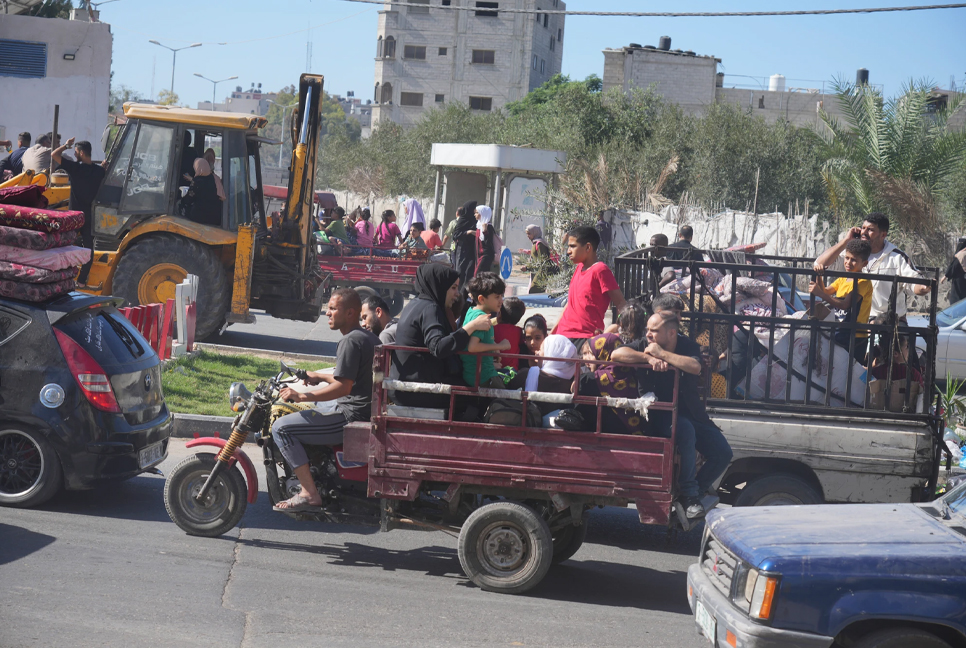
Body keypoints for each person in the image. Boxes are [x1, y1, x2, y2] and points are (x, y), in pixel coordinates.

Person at [612, 311, 733, 518]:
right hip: (659, 414)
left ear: (671, 333)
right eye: (648, 330)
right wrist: (647, 358)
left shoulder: (686, 345)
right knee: (684, 430)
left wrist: (662, 354)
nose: (648, 334)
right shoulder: (644, 344)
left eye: (654, 331)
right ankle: (688, 495)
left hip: (692, 413)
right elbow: (617, 355)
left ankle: (694, 493)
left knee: (723, 453)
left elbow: (695, 367)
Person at [270, 288, 380, 511]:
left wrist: (300, 394)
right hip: (361, 408)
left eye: (332, 308)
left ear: (350, 313)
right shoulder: (366, 337)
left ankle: (309, 493)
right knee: (313, 408)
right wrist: (318, 376)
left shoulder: (350, 341)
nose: (327, 313)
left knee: (282, 428)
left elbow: (343, 386)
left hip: (350, 415)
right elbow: (352, 379)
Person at [390, 264, 491, 409]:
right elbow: (438, 347)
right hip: (418, 389)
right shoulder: (430, 308)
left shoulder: (415, 304)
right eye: (453, 288)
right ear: (439, 286)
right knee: (479, 396)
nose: (457, 294)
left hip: (407, 385)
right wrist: (472, 326)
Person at [813, 212, 929, 321]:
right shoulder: (854, 253)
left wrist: (923, 288)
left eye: (870, 230)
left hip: (886, 321)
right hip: (853, 320)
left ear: (883, 234)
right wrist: (846, 240)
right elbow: (819, 264)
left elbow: (914, 280)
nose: (864, 232)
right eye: (863, 228)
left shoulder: (896, 257)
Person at [552, 225, 626, 349]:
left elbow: (621, 303)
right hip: (562, 336)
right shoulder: (579, 268)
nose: (568, 251)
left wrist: (617, 327)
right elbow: (569, 304)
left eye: (572, 246)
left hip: (585, 339)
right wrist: (553, 332)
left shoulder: (600, 270)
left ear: (588, 247)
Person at [51, 137, 106, 284]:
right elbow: (100, 172)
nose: (74, 155)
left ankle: (63, 277)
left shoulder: (75, 168)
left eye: (75, 152)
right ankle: (82, 280)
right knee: (88, 248)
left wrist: (65, 145)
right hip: (89, 215)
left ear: (81, 153)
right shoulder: (99, 171)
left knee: (66, 246)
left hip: (74, 216)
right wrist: (103, 166)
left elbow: (54, 155)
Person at [809, 238, 873, 359]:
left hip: (855, 336)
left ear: (864, 263)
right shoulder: (844, 278)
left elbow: (845, 304)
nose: (848, 262)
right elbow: (825, 291)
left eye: (853, 260)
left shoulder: (863, 282)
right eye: (847, 258)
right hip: (841, 331)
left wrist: (821, 294)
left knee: (850, 371)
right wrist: (819, 276)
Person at [576, 333, 642, 435]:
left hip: (595, 436)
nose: (586, 360)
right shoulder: (633, 374)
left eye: (591, 353)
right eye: (584, 354)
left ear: (603, 354)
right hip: (634, 435)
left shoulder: (589, 380)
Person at [461, 272, 512, 389]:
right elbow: (473, 347)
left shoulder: (472, 311)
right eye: (497, 297)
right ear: (482, 299)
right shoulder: (481, 319)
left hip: (478, 375)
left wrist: (494, 346)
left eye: (501, 296)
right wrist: (500, 345)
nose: (501, 300)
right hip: (484, 378)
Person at [525, 334, 578, 416]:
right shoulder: (574, 384)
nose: (537, 353)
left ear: (550, 353)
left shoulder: (526, 375)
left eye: (540, 349)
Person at [181, 158, 221, 227]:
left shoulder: (197, 181)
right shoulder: (214, 179)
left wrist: (181, 201)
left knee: (181, 208)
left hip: (200, 216)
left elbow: (188, 200)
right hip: (216, 217)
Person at [494, 296, 527, 369]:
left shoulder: (492, 329)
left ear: (499, 314)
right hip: (512, 372)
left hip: (495, 369)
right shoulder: (519, 332)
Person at [452, 200, 479, 289]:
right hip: (462, 248)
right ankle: (457, 291)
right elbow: (455, 235)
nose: (475, 210)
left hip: (472, 248)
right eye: (474, 208)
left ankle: (466, 293)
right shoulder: (462, 220)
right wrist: (469, 232)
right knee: (460, 271)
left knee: (470, 272)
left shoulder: (476, 220)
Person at [522, 224, 557, 293]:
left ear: (535, 233)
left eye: (529, 234)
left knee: (534, 292)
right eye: (527, 234)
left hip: (541, 273)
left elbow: (543, 261)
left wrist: (528, 268)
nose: (528, 236)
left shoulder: (540, 244)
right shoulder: (535, 243)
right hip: (536, 272)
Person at [474, 205, 496, 276]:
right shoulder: (479, 225)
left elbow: (488, 243)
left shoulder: (488, 226)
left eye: (477, 212)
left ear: (482, 214)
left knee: (477, 275)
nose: (475, 214)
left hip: (486, 255)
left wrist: (485, 231)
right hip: (479, 255)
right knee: (482, 276)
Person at [943, 238, 966, 305]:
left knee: (955, 299)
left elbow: (954, 266)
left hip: (958, 280)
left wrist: (945, 276)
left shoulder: (960, 255)